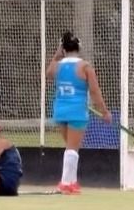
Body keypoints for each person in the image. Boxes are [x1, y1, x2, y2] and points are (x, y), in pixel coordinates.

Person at [46, 31, 111, 194]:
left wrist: (56, 54)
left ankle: (72, 181)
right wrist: (104, 111)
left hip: (60, 110)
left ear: (63, 48)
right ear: (79, 47)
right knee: (72, 149)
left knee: (71, 146)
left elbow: (49, 74)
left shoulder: (57, 65)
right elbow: (95, 92)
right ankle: (65, 183)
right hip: (77, 111)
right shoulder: (85, 66)